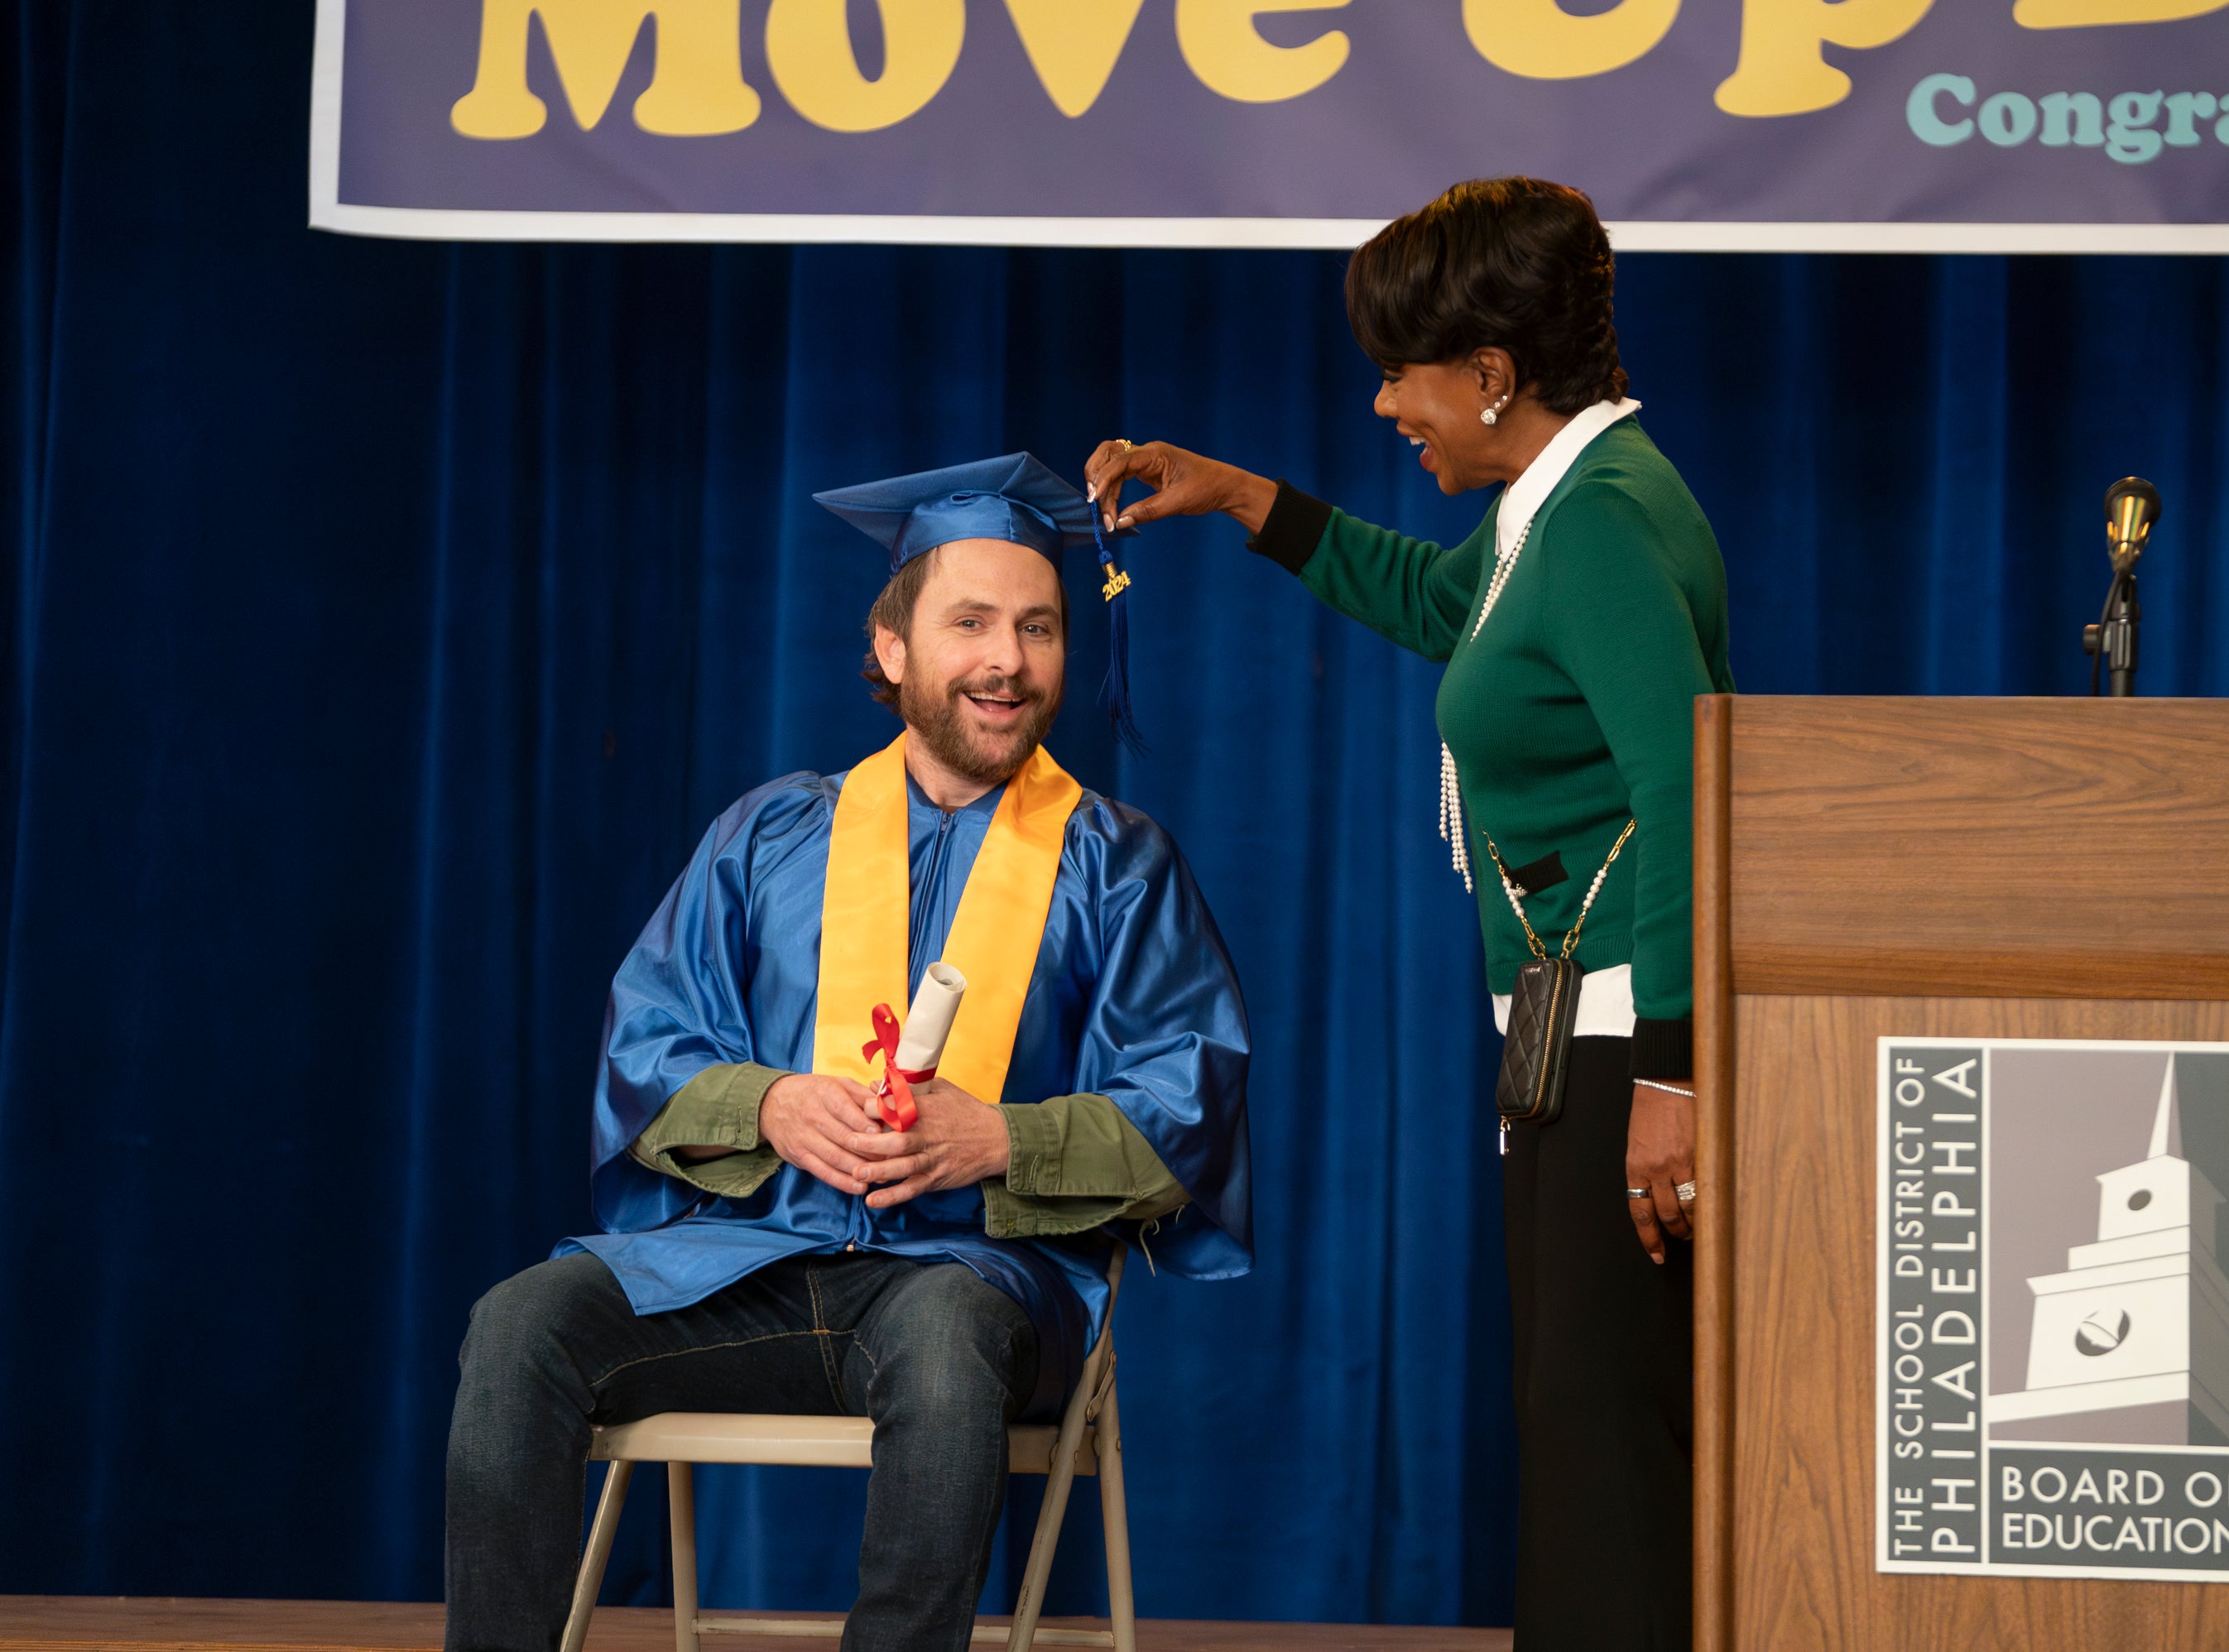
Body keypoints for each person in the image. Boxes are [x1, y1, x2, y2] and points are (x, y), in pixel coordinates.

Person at [444, 454, 1251, 1652]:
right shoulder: (771, 835)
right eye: (969, 622)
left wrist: (1003, 1137)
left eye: (1038, 627)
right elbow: (647, 1043)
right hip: (748, 1267)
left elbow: (1192, 1104)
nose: (1008, 661)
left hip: (972, 1284)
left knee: (940, 1342)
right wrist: (768, 1108)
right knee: (521, 1325)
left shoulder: (1115, 863)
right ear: (890, 649)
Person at [1085, 177, 1730, 1650]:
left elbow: (1695, 793)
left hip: (1633, 1047)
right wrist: (1246, 497)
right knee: (1579, 1437)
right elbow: (1452, 610)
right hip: (1584, 1047)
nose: (1387, 406)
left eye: (1404, 374)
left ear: (1493, 375)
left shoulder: (1609, 523)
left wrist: (1678, 1080)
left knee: (1607, 1454)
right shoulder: (1555, 509)